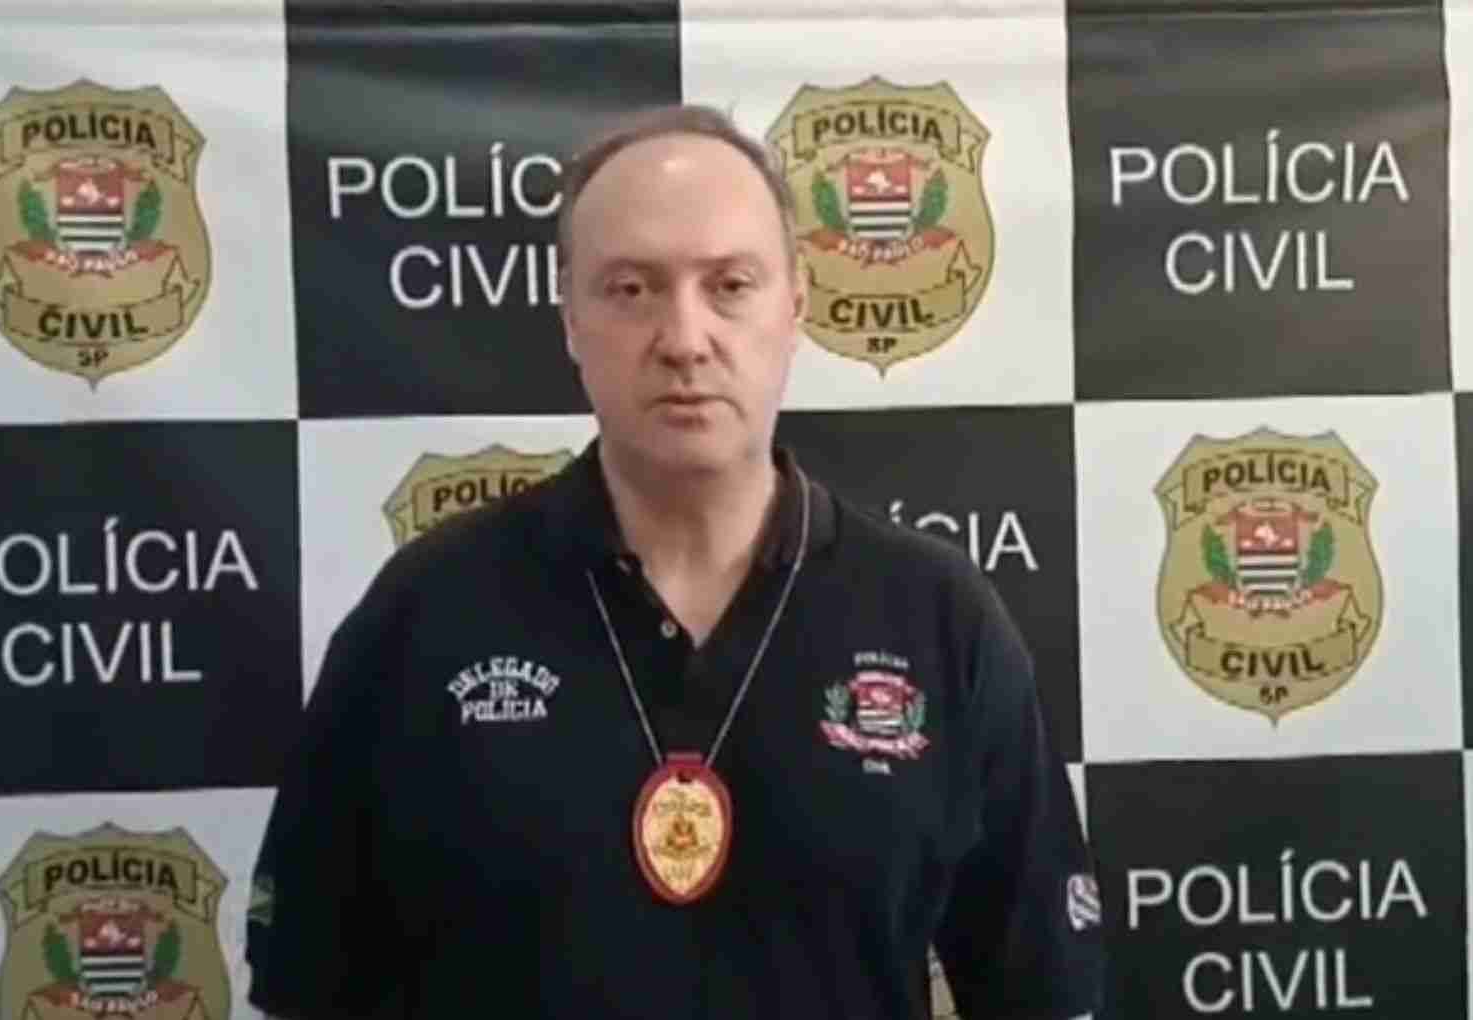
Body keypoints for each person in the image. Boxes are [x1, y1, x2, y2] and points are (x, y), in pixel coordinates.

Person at [243, 103, 1105, 1020]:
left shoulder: (937, 618)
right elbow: (309, 988)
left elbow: (1041, 992)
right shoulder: (425, 612)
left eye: (730, 285)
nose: (685, 339)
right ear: (570, 317)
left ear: (796, 305)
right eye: (631, 289)